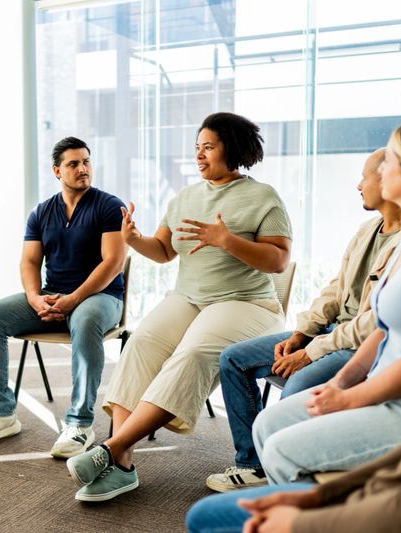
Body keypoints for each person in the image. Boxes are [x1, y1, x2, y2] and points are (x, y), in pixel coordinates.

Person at [185, 19, 401, 533]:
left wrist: (308, 515)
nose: (373, 177)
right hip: (394, 412)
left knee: (211, 515)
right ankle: (268, 472)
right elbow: (369, 319)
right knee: (262, 428)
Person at [66, 112, 292, 502]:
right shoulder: (186, 196)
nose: (199, 156)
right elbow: (165, 251)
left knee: (193, 353)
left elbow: (278, 261)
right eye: (197, 148)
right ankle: (121, 465)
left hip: (246, 302)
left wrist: (227, 241)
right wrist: (134, 239)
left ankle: (110, 450)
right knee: (141, 344)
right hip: (189, 298)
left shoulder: (263, 197)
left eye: (209, 147)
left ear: (232, 150)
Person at [206, 149, 401, 492]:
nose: (358, 185)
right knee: (233, 359)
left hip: (356, 346)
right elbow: (335, 289)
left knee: (296, 390)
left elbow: (373, 325)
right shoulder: (366, 229)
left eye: (364, 177)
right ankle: (254, 464)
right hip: (327, 333)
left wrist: (311, 353)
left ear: (388, 181)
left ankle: (285, 475)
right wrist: (301, 334)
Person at [0, 137, 126, 459]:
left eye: (86, 162)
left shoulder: (108, 206)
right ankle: (1, 413)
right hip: (53, 296)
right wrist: (35, 298)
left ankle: (80, 423)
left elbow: (113, 262)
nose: (83, 169)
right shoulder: (41, 212)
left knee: (87, 318)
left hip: (101, 297)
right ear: (57, 171)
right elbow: (29, 262)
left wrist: (74, 299)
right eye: (73, 164)